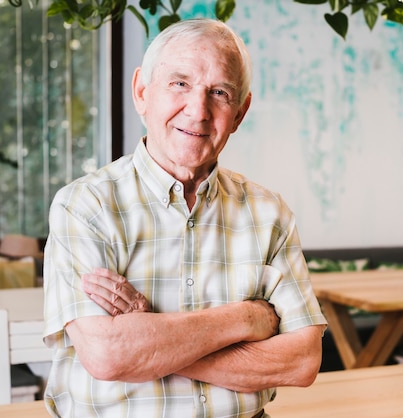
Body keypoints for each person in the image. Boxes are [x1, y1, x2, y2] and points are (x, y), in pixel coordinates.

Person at [42, 18, 327, 418]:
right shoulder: (85, 206)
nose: (198, 111)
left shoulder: (270, 213)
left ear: (240, 112)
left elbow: (302, 362)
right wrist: (248, 318)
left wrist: (150, 339)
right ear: (142, 91)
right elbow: (108, 355)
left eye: (219, 92)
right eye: (179, 83)